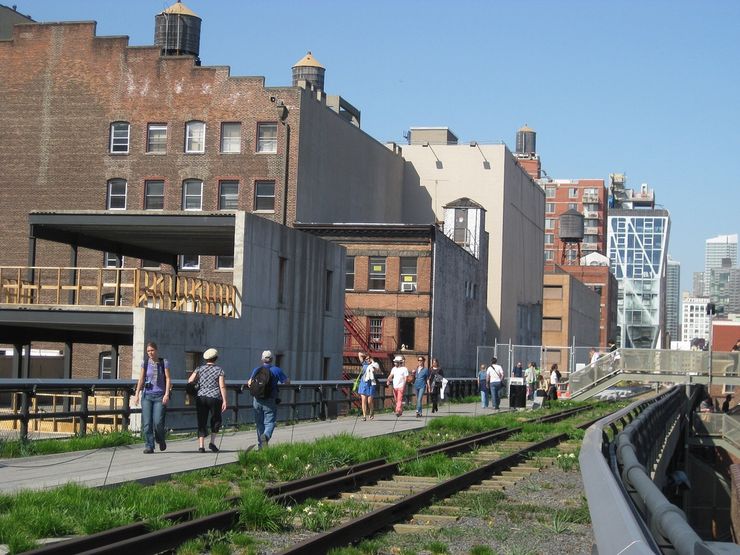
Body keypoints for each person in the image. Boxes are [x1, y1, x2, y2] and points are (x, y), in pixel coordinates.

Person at [133, 341, 172, 454]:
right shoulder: (145, 363)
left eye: (152, 350)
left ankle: (160, 439)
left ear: (156, 350)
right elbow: (141, 379)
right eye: (148, 351)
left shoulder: (164, 362)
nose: (150, 353)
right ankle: (149, 445)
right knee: (147, 423)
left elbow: (168, 378)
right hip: (147, 395)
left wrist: (166, 394)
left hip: (160, 395)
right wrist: (137, 394)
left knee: (158, 422)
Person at [187, 348, 228, 453]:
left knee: (201, 420)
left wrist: (198, 386)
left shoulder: (199, 368)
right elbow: (222, 386)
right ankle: (212, 443)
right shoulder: (219, 370)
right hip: (215, 398)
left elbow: (190, 380)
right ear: (216, 358)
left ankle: (201, 446)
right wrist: (224, 400)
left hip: (201, 397)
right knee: (216, 419)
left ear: (206, 359)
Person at [247, 350, 290, 449]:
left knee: (259, 423)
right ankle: (266, 436)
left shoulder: (257, 370)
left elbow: (249, 383)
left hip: (257, 400)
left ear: (262, 359)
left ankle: (261, 446)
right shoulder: (276, 370)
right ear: (271, 359)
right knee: (270, 422)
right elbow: (286, 381)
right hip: (270, 400)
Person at [357, 352, 378, 421]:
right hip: (363, 383)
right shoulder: (364, 364)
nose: (368, 360)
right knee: (363, 400)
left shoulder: (374, 364)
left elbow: (376, 369)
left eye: (369, 359)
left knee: (369, 401)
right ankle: (364, 416)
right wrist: (366, 355)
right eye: (366, 359)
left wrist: (371, 360)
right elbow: (359, 354)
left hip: (371, 384)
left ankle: (371, 412)